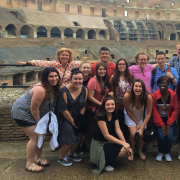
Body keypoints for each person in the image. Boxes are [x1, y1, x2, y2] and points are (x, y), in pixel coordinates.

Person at [11, 67, 61, 172]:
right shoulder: (40, 89)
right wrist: (39, 123)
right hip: (22, 113)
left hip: (33, 113)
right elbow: (34, 108)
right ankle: (29, 163)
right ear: (45, 78)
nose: (54, 78)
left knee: (40, 135)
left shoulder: (53, 87)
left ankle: (37, 158)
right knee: (35, 136)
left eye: (56, 76)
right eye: (51, 76)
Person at [55, 68, 88, 167]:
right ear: (71, 79)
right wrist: (73, 123)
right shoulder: (64, 91)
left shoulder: (84, 89)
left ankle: (70, 154)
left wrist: (81, 118)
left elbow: (84, 104)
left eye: (80, 79)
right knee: (70, 133)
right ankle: (61, 157)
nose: (78, 81)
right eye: (75, 79)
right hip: (65, 118)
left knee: (80, 134)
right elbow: (63, 109)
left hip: (77, 116)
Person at [90, 96, 132, 173]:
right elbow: (107, 135)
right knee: (123, 150)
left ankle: (107, 159)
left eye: (112, 104)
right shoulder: (101, 117)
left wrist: (126, 144)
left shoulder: (114, 114)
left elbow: (118, 130)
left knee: (126, 150)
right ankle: (103, 162)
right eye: (108, 104)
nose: (110, 106)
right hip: (99, 145)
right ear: (104, 106)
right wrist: (123, 143)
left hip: (107, 142)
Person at [16, 48, 81, 88]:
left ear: (69, 57)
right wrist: (27, 62)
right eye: (63, 55)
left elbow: (85, 63)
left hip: (67, 90)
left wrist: (91, 62)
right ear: (59, 56)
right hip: (56, 89)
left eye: (67, 55)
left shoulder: (72, 64)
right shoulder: (55, 64)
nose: (65, 57)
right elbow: (41, 62)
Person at [123, 79, 153, 161]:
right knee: (133, 135)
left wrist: (142, 127)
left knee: (141, 135)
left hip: (142, 117)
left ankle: (139, 150)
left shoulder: (148, 97)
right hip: (130, 116)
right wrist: (137, 123)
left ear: (143, 88)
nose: (138, 88)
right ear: (133, 87)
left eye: (140, 86)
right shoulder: (127, 96)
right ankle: (131, 150)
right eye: (136, 86)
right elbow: (128, 111)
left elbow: (149, 113)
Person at [152, 76, 178, 161]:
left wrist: (168, 124)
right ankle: (160, 152)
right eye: (160, 82)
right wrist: (162, 125)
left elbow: (175, 110)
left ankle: (167, 152)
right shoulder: (155, 95)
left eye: (165, 82)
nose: (162, 84)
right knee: (161, 137)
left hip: (170, 120)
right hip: (159, 120)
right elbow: (154, 111)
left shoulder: (173, 95)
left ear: (168, 84)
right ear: (158, 84)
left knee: (170, 137)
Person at [110, 58, 133, 139]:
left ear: (126, 66)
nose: (121, 66)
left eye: (123, 64)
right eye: (119, 64)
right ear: (117, 66)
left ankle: (127, 140)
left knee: (128, 122)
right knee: (119, 123)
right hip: (118, 104)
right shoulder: (114, 77)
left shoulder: (130, 76)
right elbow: (111, 91)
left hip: (128, 103)